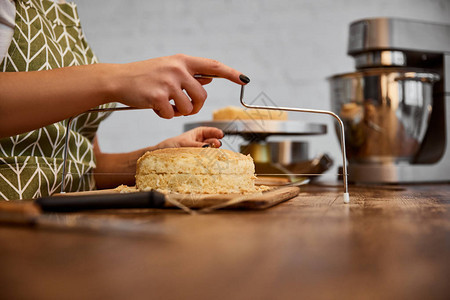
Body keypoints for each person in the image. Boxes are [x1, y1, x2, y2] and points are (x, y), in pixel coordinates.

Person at [0, 0, 250, 200]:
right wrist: (114, 79)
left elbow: (85, 163)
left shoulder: (62, 9)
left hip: (72, 228)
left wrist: (157, 159)